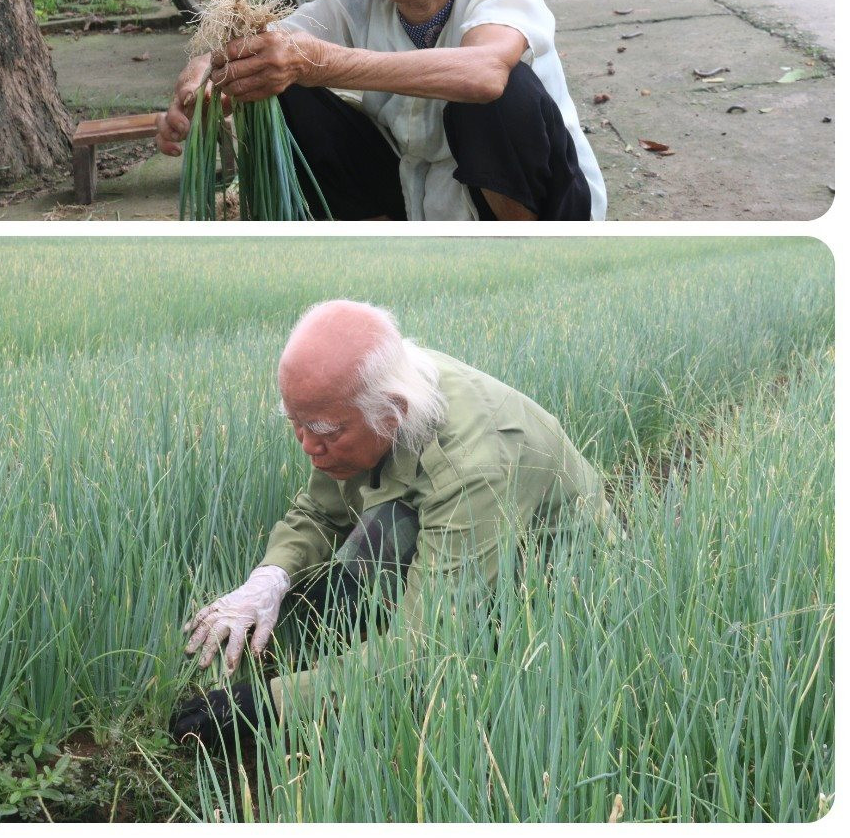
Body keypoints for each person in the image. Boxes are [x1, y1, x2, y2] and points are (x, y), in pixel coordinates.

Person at [170, 300, 608, 754]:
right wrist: (268, 580)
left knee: (447, 670)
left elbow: (424, 645)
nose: (306, 445)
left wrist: (268, 704)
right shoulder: (357, 402)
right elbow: (320, 513)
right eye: (295, 423)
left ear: (392, 412)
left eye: (322, 430)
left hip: (551, 584)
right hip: (465, 529)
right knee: (326, 595)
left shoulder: (469, 468)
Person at [157, 0, 605, 220]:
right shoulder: (355, 1)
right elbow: (268, 47)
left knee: (495, 95)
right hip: (417, 204)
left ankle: (523, 264)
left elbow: (485, 73)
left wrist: (323, 63)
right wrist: (204, 78)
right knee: (280, 83)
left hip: (543, 205)